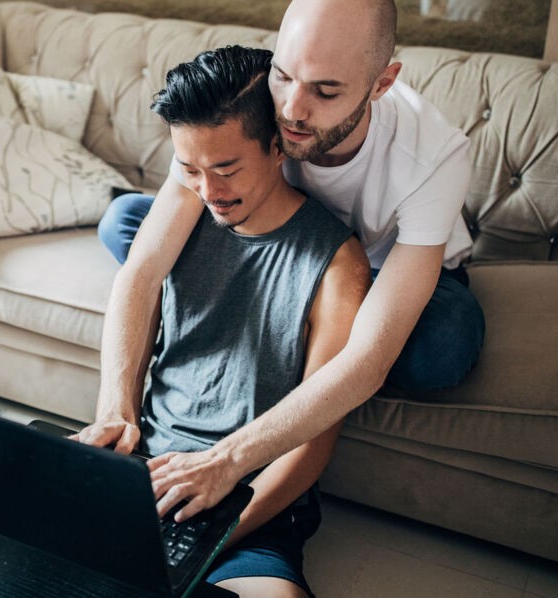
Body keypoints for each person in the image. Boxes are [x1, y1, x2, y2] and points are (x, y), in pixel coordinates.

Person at [81, 0, 485, 537]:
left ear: (381, 83)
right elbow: (144, 269)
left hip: (382, 266)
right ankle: (278, 299)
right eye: (285, 75)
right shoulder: (257, 97)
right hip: (275, 240)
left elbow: (367, 360)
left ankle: (306, 312)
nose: (292, 110)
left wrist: (228, 460)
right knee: (126, 221)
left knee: (442, 346)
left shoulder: (434, 156)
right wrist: (115, 409)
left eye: (325, 91)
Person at [78, 44, 370, 596]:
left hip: (249, 502)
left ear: (279, 145)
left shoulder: (338, 263)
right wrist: (116, 414)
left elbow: (313, 440)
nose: (210, 191)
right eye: (190, 170)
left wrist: (216, 530)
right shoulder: (192, 200)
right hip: (145, 472)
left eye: (227, 169)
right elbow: (137, 279)